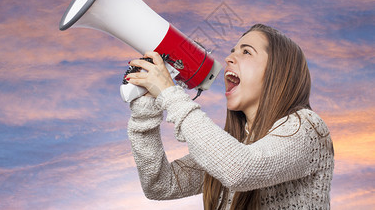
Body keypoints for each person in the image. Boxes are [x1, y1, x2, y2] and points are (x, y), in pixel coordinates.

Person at [125, 24, 334, 209]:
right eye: (233, 51)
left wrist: (169, 94)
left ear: (277, 71)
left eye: (246, 52)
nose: (229, 58)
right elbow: (161, 185)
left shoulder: (308, 128)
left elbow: (240, 169)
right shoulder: (234, 144)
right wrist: (145, 113)